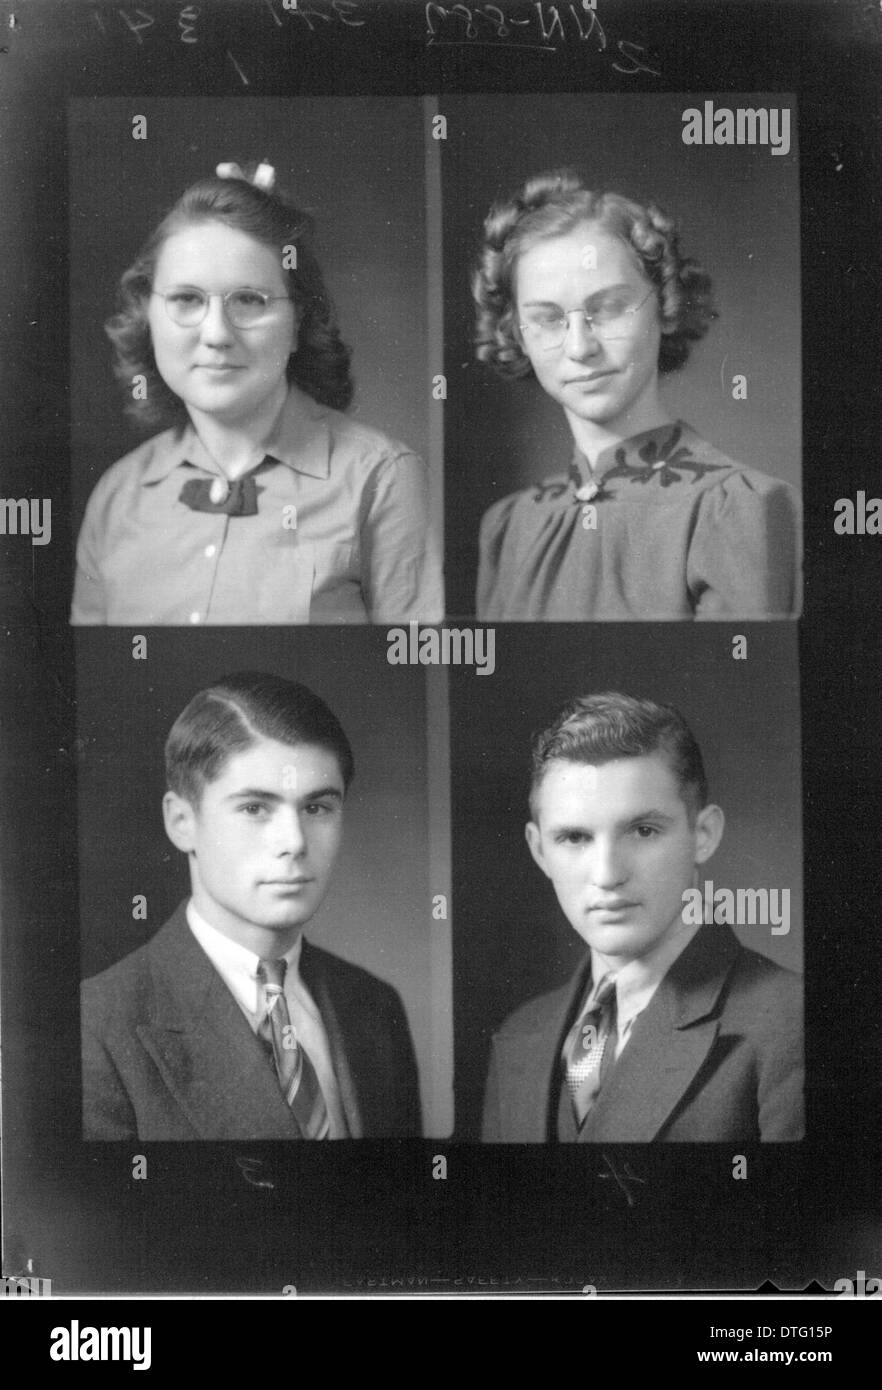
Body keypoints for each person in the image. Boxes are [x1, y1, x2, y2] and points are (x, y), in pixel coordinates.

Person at [71, 162, 443, 625]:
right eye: (187, 299)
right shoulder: (117, 495)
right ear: (149, 314)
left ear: (298, 324)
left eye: (249, 300)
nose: (216, 334)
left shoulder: (382, 481)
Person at [81, 671, 422, 1140]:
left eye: (317, 807)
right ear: (182, 822)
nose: (294, 842)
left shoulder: (375, 1005)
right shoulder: (97, 1026)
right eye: (255, 808)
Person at [472, 171, 801, 620]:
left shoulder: (739, 509)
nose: (579, 347)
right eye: (547, 318)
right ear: (517, 334)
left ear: (664, 306)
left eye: (607, 308)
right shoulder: (508, 527)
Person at [482, 692, 803, 1142]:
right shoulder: (520, 1034)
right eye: (574, 837)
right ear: (539, 851)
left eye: (643, 830)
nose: (608, 874)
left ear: (703, 835)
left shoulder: (793, 1023)